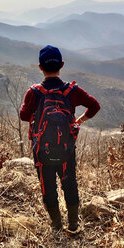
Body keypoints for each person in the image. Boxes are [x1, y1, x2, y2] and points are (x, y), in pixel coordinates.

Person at [20, 45, 100, 234]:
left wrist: (36, 119)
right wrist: (79, 121)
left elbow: (24, 116)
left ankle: (56, 225)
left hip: (42, 150)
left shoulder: (34, 92)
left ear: (40, 67)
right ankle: (73, 225)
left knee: (47, 187)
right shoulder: (72, 92)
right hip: (66, 149)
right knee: (69, 183)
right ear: (62, 65)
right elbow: (94, 106)